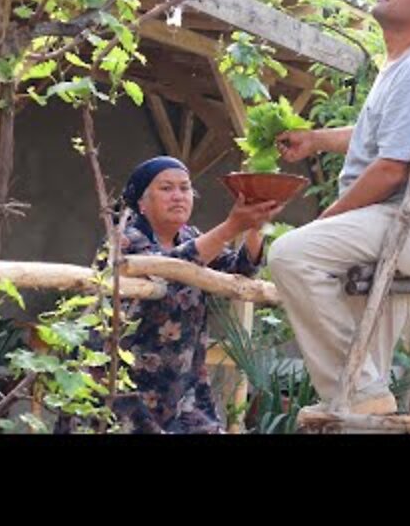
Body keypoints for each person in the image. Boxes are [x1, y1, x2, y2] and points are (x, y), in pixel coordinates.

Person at [269, 0, 410, 415]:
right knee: (368, 358)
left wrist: (322, 223)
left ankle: (354, 394)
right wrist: (316, 140)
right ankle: (358, 402)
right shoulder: (402, 64)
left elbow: (390, 169)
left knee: (292, 254)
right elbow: (376, 137)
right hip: (397, 220)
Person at [57, 156, 282, 433]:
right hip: (122, 386)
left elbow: (243, 268)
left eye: (185, 188)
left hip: (182, 390)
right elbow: (167, 267)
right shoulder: (123, 239)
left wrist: (253, 227)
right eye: (166, 188)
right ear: (141, 201)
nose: (178, 196)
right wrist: (230, 227)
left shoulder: (190, 236)